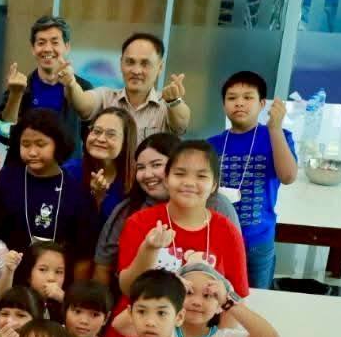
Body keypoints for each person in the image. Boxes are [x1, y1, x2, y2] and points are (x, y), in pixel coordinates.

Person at [93, 132, 240, 286]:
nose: (147, 174)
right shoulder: (130, 213)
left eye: (156, 165)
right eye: (140, 167)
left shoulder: (219, 207)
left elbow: (235, 278)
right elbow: (104, 268)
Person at [117, 140, 249, 299]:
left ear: (214, 185)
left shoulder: (227, 231)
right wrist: (148, 249)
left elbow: (238, 296)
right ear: (166, 179)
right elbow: (127, 289)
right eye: (180, 174)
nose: (189, 183)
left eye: (201, 176)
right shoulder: (139, 223)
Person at [206, 70, 297, 289]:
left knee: (258, 297)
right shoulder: (212, 144)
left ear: (262, 104)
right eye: (232, 98)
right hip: (219, 238)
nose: (239, 103)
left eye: (248, 97)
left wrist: (275, 128)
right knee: (218, 294)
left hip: (257, 240)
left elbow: (288, 176)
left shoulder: (277, 136)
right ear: (224, 105)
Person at [0, 109, 95, 280]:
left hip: (58, 282)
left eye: (40, 144)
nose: (32, 152)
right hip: (12, 278)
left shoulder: (75, 188)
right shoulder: (8, 179)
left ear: (58, 144)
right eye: (25, 144)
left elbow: (83, 253)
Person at [64, 32, 190, 139]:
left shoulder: (166, 105)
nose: (136, 71)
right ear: (121, 63)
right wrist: (71, 83)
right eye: (130, 62)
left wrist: (174, 101)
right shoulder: (106, 96)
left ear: (160, 67)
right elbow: (82, 105)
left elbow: (181, 123)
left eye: (145, 64)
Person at [0, 16, 93, 156]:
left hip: (67, 167)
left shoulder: (83, 88)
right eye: (41, 43)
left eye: (55, 42)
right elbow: (3, 134)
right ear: (33, 48)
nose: (48, 49)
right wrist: (15, 95)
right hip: (25, 165)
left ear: (67, 47)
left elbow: (90, 139)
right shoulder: (20, 87)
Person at [68, 107, 136, 222]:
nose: (101, 139)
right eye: (97, 131)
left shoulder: (136, 178)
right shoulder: (70, 172)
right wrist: (95, 197)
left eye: (111, 134)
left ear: (126, 142)